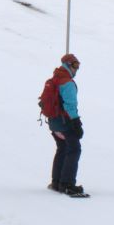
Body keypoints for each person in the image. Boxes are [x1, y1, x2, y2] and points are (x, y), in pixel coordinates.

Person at [47, 53, 85, 196]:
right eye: (75, 65)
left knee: (62, 148)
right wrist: (76, 123)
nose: (77, 69)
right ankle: (67, 184)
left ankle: (57, 181)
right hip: (65, 122)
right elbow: (70, 105)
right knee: (74, 149)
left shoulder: (55, 79)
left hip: (54, 122)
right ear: (68, 65)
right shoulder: (67, 82)